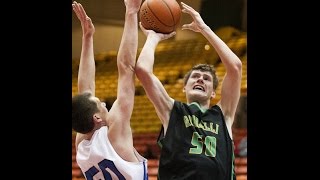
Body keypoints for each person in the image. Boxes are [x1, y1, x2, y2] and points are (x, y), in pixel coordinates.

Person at [135, 2, 242, 180]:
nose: (200, 79)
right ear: (184, 87)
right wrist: (153, 38)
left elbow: (235, 67)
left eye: (206, 79)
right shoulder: (172, 111)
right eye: (195, 77)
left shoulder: (224, 115)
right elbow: (143, 71)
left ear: (213, 93)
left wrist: (205, 29)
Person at [71, 1, 148, 179]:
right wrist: (131, 12)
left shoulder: (81, 144)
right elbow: (126, 68)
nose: (104, 103)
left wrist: (88, 37)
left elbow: (86, 89)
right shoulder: (115, 131)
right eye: (100, 104)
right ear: (97, 118)